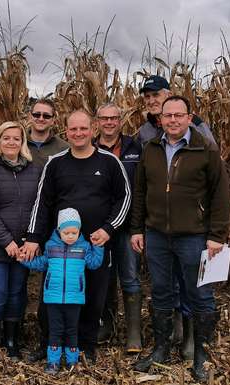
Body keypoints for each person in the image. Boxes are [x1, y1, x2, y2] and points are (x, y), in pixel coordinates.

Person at [130, 96, 230, 381]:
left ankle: (202, 357)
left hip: (195, 237)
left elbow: (221, 194)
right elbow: (140, 191)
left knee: (200, 295)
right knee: (161, 291)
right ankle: (161, 350)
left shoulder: (205, 149)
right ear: (160, 119)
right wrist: (137, 228)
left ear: (189, 117)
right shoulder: (150, 149)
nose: (172, 120)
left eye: (179, 115)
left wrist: (217, 235)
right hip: (158, 235)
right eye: (167, 116)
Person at [24, 110, 131, 363]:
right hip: (59, 247)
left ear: (92, 129)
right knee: (53, 295)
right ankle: (48, 342)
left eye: (83, 129)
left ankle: (85, 345)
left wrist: (108, 229)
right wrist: (33, 237)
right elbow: (42, 203)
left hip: (95, 244)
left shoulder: (108, 162)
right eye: (73, 129)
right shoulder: (56, 163)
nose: (78, 133)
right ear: (66, 131)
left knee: (93, 296)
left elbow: (124, 197)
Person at [0, 121, 42, 361]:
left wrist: (31, 240)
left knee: (16, 294)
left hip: (24, 247)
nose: (12, 142)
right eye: (6, 138)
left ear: (23, 142)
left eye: (17, 138)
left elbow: (39, 206)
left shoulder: (34, 169)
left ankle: (12, 341)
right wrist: (6, 242)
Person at [22, 208, 104, 374]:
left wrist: (99, 247)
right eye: (66, 232)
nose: (70, 236)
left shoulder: (83, 248)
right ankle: (53, 362)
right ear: (59, 230)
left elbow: (94, 264)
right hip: (53, 298)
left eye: (74, 232)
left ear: (79, 231)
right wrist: (24, 260)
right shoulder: (51, 247)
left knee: (72, 330)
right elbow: (40, 264)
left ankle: (72, 362)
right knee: (56, 330)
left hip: (74, 299)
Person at [92, 103, 143, 353]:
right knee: (104, 276)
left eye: (114, 118)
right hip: (101, 226)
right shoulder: (89, 147)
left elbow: (142, 186)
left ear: (120, 120)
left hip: (128, 225)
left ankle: (134, 331)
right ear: (97, 121)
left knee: (130, 275)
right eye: (104, 118)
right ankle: (107, 324)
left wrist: (138, 226)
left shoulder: (135, 147)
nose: (109, 123)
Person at [24, 98, 69, 362]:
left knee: (49, 288)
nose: (41, 119)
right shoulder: (17, 142)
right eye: (36, 114)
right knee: (15, 286)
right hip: (19, 223)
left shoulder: (63, 148)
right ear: (29, 116)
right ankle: (13, 337)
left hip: (51, 226)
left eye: (46, 115)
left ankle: (50, 340)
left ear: (54, 119)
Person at [26, 98, 69, 166]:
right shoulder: (18, 143)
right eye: (37, 115)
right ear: (30, 117)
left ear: (53, 120)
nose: (41, 119)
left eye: (46, 116)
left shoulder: (64, 149)